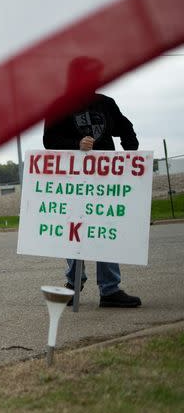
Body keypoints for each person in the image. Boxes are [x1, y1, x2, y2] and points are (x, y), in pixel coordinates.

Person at [43, 93, 142, 308]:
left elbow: (124, 126)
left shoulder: (106, 103)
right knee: (75, 229)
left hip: (105, 178)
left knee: (104, 229)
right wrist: (76, 144)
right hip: (74, 179)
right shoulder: (59, 105)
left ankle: (109, 290)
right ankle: (73, 283)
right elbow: (49, 140)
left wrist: (131, 153)